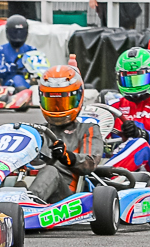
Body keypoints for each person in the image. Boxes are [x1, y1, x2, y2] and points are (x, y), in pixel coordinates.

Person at [27, 65, 99, 202]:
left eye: (63, 102)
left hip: (65, 194)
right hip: (28, 183)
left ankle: (29, 203)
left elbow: (90, 163)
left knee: (50, 170)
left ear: (78, 98)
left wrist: (66, 156)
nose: (57, 109)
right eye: (52, 102)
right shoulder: (36, 131)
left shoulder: (88, 129)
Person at [0, 15, 36, 89]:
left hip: (30, 84)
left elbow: (40, 68)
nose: (18, 35)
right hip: (8, 86)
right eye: (15, 32)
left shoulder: (32, 50)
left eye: (21, 32)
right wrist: (9, 68)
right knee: (17, 79)